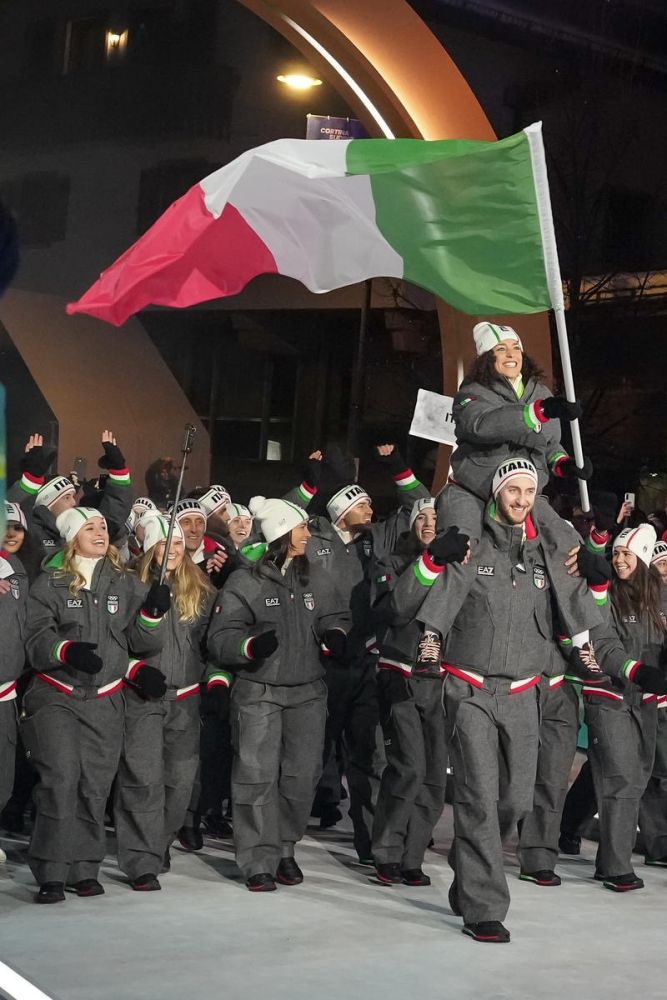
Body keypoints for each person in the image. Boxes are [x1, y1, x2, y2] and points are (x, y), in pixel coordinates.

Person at [415, 457, 600, 943]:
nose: (521, 499)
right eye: (513, 490)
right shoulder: (473, 544)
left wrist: (594, 575)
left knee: (514, 801)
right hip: (471, 688)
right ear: (497, 492)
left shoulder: (545, 553)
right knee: (478, 796)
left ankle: (468, 868)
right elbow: (445, 593)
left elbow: (575, 602)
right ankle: (485, 909)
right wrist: (432, 637)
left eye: (529, 492)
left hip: (522, 693)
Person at [22, 507, 170, 904]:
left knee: (93, 786)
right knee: (61, 779)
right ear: (73, 537)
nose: (100, 532)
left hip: (105, 699)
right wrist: (65, 650)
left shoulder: (125, 582)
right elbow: (36, 639)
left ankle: (83, 868)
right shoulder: (49, 583)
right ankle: (52, 870)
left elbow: (141, 642)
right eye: (89, 527)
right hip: (57, 695)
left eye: (103, 526)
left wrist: (153, 614)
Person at [206, 496, 350, 891]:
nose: (308, 534)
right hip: (259, 692)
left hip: (307, 692)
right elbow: (220, 638)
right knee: (256, 776)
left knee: (301, 777)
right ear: (282, 533)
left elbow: (335, 615)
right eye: (302, 527)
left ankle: (285, 847)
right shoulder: (245, 582)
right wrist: (249, 646)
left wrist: (335, 634)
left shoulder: (315, 576)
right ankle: (257, 859)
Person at [307, 444, 431, 861]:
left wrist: (398, 467)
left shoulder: (375, 539)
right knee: (309, 755)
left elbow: (420, 507)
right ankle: (284, 838)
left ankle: (370, 844)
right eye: (361, 505)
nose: (370, 510)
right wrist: (309, 482)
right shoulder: (313, 538)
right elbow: (277, 527)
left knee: (368, 756)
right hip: (320, 666)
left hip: (365, 663)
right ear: (341, 513)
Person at [436, 322, 598, 636]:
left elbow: (549, 444)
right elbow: (483, 424)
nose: (511, 355)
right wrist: (536, 413)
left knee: (569, 547)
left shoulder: (541, 393)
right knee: (460, 547)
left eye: (516, 348)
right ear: (487, 357)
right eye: (501, 349)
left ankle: (580, 639)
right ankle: (433, 632)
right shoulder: (471, 394)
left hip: (524, 495)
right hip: (476, 491)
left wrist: (564, 465)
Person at [114, 514, 215, 890]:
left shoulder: (200, 587)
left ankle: (159, 843)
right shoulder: (128, 584)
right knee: (143, 780)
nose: (172, 549)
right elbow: (116, 643)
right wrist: (134, 670)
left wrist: (215, 679)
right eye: (163, 543)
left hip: (185, 700)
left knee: (179, 782)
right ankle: (141, 860)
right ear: (149, 548)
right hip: (142, 697)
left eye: (177, 543)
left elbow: (211, 641)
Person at [370, 499, 469, 886]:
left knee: (434, 776)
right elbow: (394, 610)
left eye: (435, 518)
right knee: (408, 767)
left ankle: (412, 857)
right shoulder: (392, 563)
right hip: (400, 673)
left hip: (441, 680)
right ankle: (387, 851)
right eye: (421, 518)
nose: (428, 523)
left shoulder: (460, 566)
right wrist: (430, 561)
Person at [579, 524, 667, 891]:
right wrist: (638, 671)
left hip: (643, 701)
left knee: (638, 777)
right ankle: (617, 867)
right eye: (616, 553)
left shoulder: (658, 598)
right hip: (609, 696)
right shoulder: (605, 594)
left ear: (643, 559)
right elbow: (605, 646)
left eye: (626, 554)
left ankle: (608, 862)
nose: (618, 560)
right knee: (622, 777)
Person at [11, 431, 133, 578]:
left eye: (73, 496)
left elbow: (114, 515)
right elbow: (10, 514)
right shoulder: (31, 531)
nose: (74, 502)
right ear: (48, 503)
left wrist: (119, 471)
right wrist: (31, 480)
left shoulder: (82, 529)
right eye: (66, 497)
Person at [0, 503, 30, 862]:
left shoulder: (19, 569)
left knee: (4, 773)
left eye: (17, 528)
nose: (11, 534)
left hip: (7, 689)